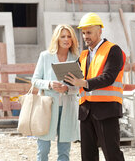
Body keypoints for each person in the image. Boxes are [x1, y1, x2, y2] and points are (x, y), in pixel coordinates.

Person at [64, 12, 126, 161]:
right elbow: (75, 78)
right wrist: (65, 83)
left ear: (100, 31)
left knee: (112, 154)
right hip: (86, 111)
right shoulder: (84, 55)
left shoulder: (113, 50)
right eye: (84, 33)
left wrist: (84, 83)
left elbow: (108, 77)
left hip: (106, 110)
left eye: (89, 32)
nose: (86, 36)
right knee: (88, 156)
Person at [31, 24, 80, 161]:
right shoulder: (45, 56)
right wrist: (49, 84)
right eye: (63, 36)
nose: (66, 39)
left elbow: (80, 85)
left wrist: (67, 89)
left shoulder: (76, 58)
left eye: (69, 36)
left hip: (67, 107)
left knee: (64, 151)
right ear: (57, 38)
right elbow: (35, 80)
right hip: (47, 107)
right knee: (43, 149)